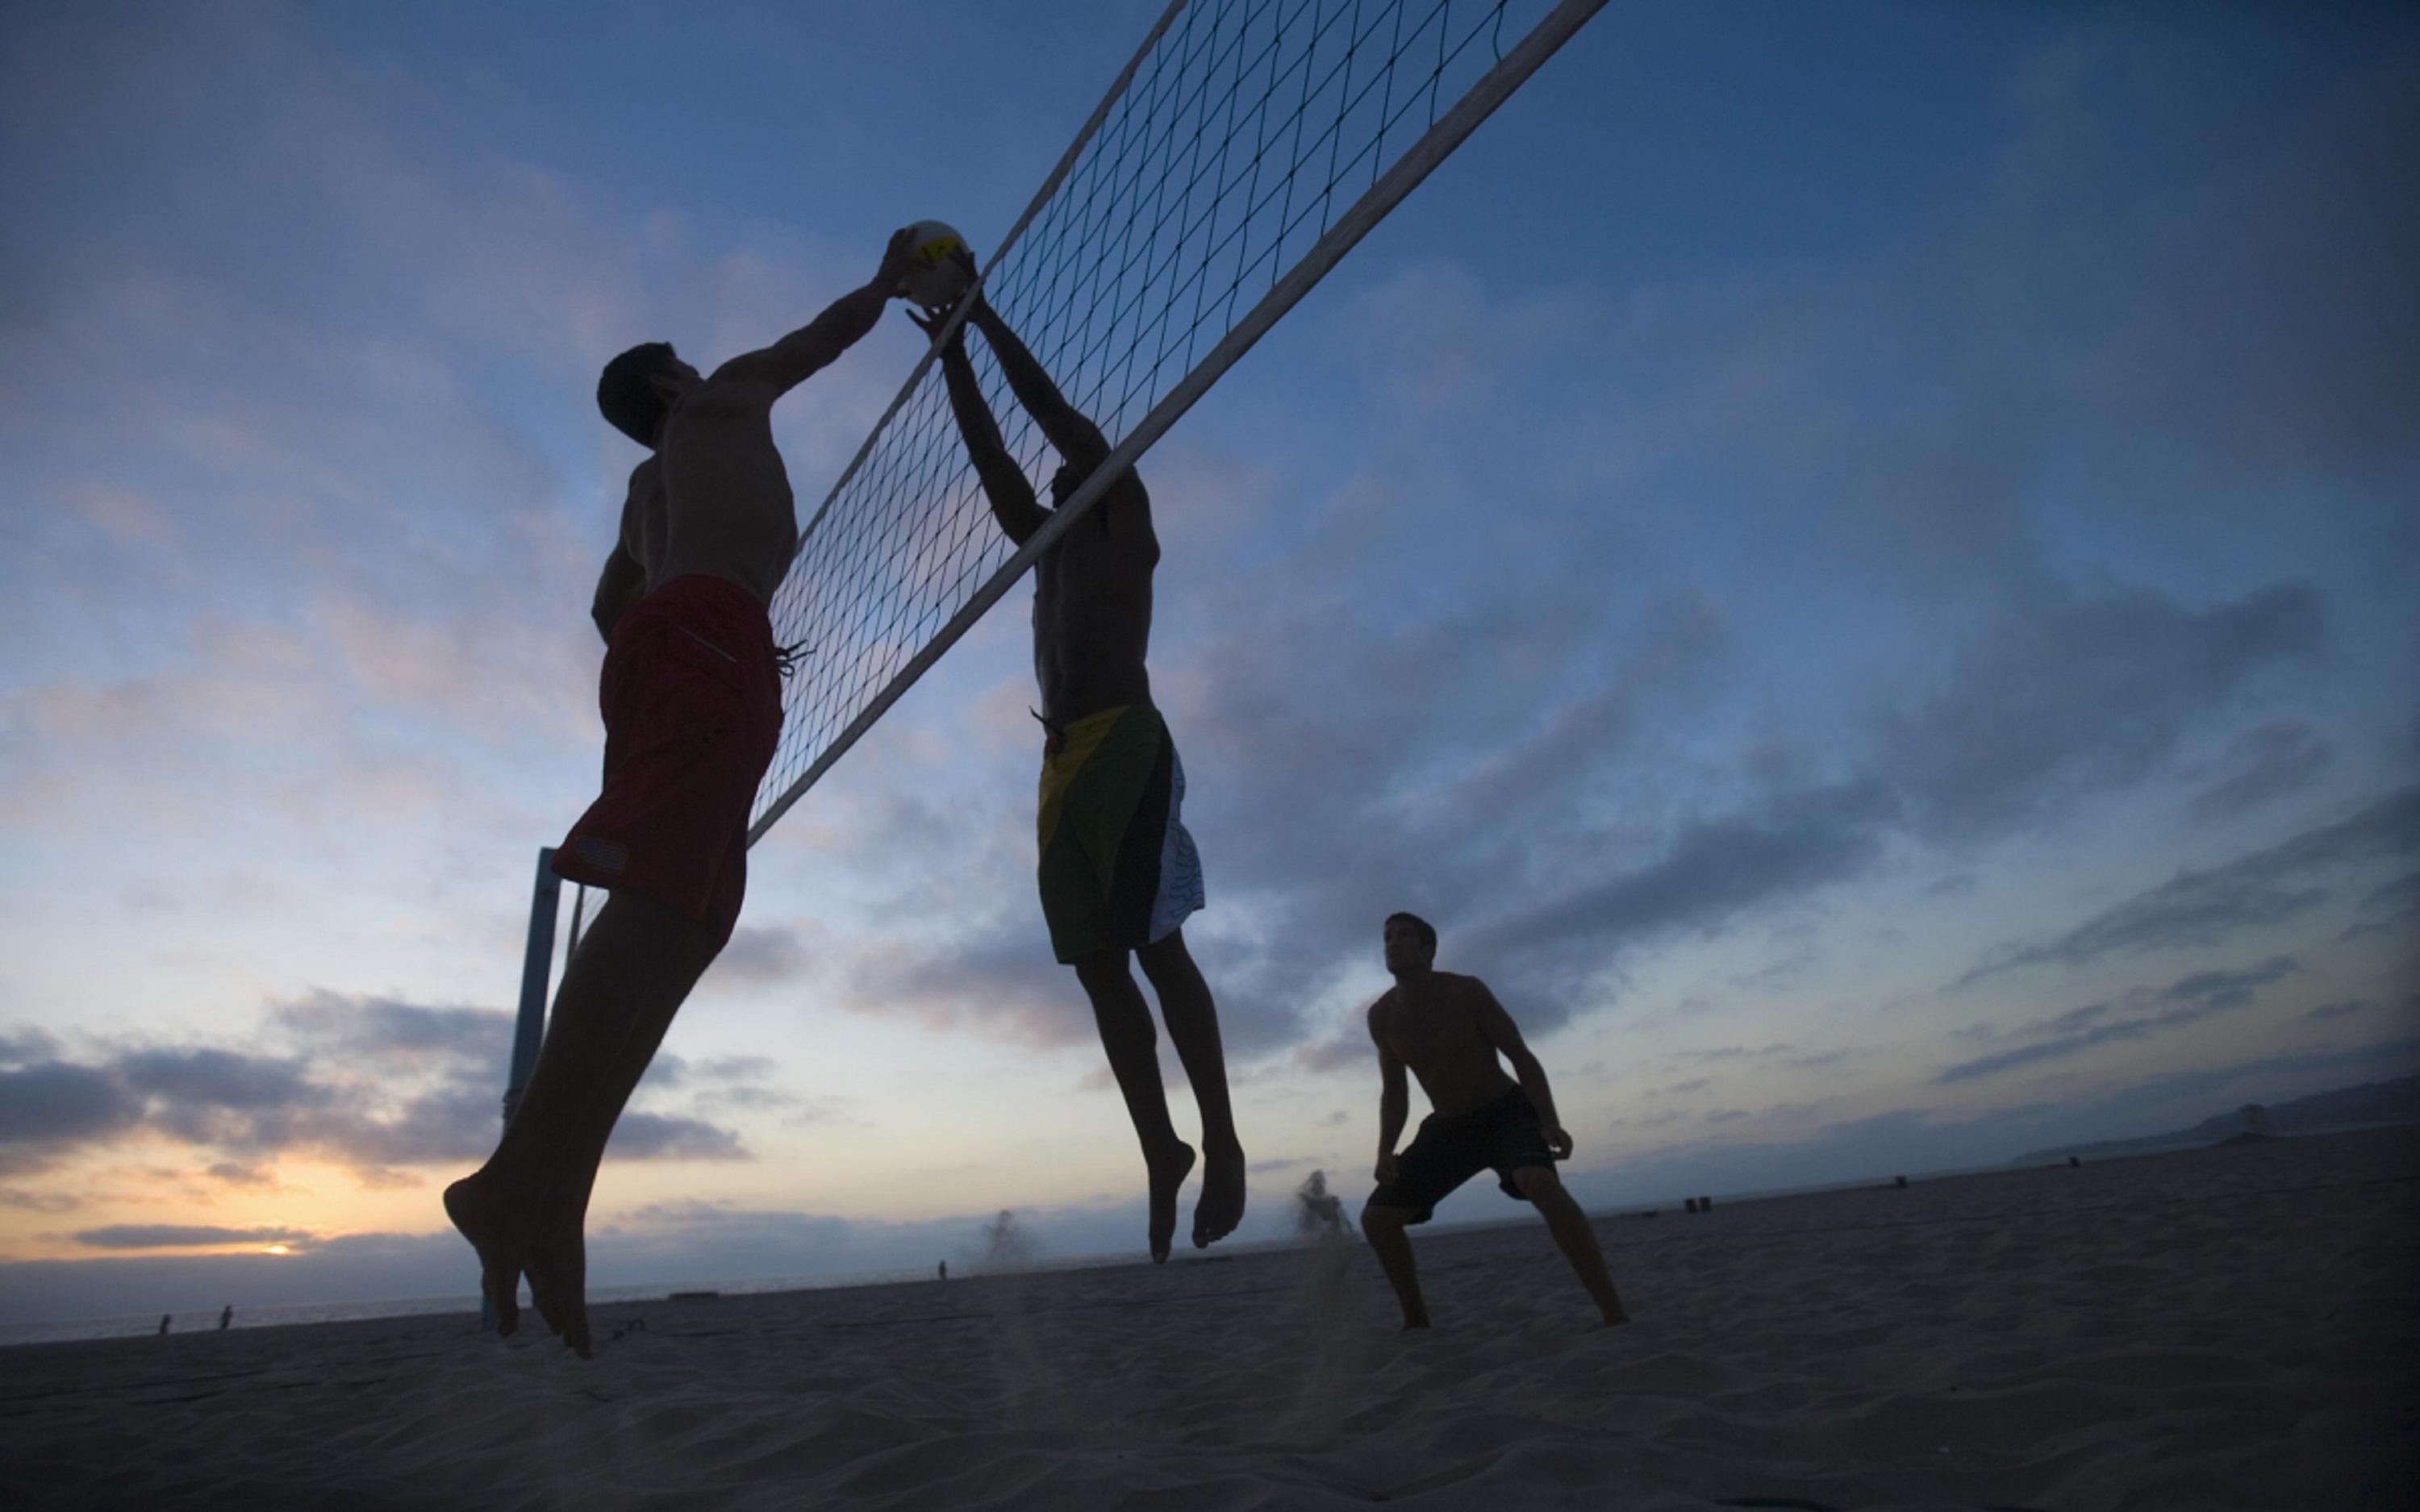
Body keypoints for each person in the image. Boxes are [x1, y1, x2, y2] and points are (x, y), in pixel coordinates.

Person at [445, 227, 922, 1360]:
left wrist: (678, 634)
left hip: (704, 639)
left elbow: (606, 609)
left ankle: (554, 1195)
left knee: (695, 920)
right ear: (673, 381)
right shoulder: (717, 408)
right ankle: (512, 1182)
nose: (717, 367)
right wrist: (890, 279)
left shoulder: (644, 490)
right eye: (696, 363)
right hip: (707, 635)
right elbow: (819, 340)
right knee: (663, 901)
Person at [912, 270, 1245, 1262]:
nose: (1056, 476)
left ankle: (1222, 1139)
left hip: (1128, 742)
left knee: (1157, 949)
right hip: (1057, 764)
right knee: (1096, 967)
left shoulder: (1124, 509)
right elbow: (990, 460)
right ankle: (1161, 1149)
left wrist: (984, 319)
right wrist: (950, 360)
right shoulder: (1047, 540)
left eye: (1071, 469)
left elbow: (1050, 412)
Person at [1360, 912, 1628, 1330]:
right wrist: (1384, 1149)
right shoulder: (1382, 1016)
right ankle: (1416, 1321)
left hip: (1505, 1112)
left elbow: (1520, 1056)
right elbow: (1395, 1092)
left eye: (1404, 936)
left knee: (1539, 1182)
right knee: (1376, 1219)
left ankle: (1612, 1309)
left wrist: (1549, 1120)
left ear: (1428, 950)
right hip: (1448, 1127)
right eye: (1387, 937)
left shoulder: (1466, 992)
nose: (1393, 943)